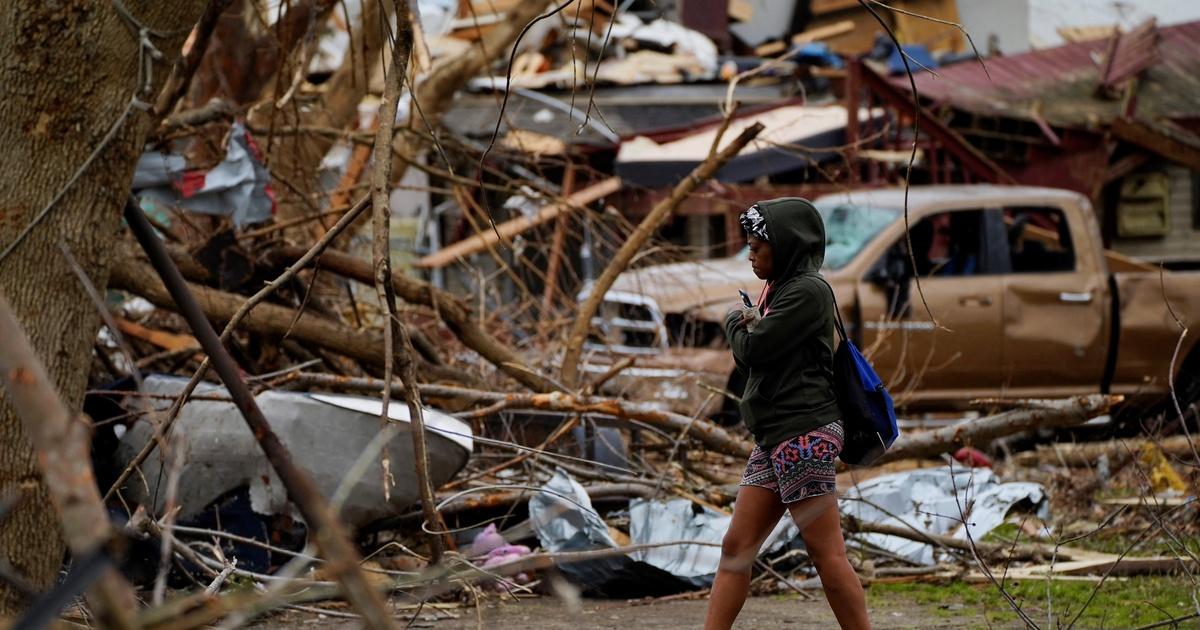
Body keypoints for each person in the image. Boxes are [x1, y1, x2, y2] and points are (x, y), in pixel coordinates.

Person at [704, 199, 870, 630]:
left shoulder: (807, 291)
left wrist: (733, 321)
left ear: (787, 245)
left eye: (759, 245)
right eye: (750, 245)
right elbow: (758, 358)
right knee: (735, 549)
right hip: (778, 435)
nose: (750, 254)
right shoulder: (779, 288)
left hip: (804, 434)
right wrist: (748, 322)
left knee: (826, 554)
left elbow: (752, 351)